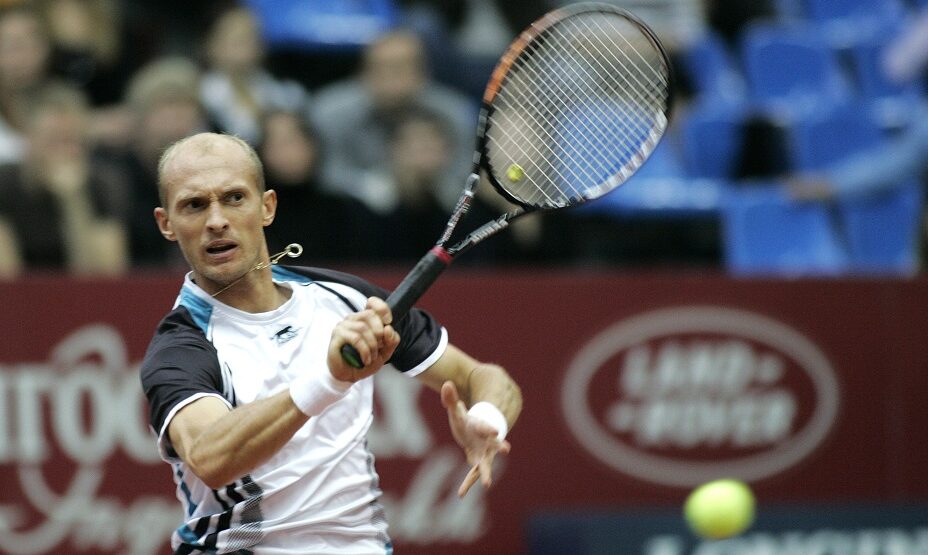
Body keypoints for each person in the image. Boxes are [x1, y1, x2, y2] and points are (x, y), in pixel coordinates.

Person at [140, 132, 522, 554]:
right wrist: (329, 378)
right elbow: (210, 457)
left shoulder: (344, 298)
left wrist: (487, 418)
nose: (216, 220)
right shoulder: (180, 347)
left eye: (234, 198)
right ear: (166, 224)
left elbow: (483, 378)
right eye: (194, 205)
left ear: (267, 207)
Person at [311, 29, 476, 213]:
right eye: (382, 68)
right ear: (362, 73)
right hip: (353, 213)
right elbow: (325, 172)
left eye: (402, 68)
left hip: (436, 210)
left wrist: (429, 182)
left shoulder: (454, 113)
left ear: (424, 73)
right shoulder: (330, 112)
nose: (392, 78)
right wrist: (367, 186)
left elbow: (465, 172)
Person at [0, 83, 128, 275]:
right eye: (53, 140)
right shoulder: (6, 182)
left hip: (79, 292)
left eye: (71, 141)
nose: (63, 152)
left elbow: (105, 276)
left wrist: (73, 201)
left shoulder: (102, 183)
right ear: (30, 138)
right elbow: (7, 275)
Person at [199, 6, 311, 145]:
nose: (247, 46)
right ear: (210, 44)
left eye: (253, 37)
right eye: (237, 39)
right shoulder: (198, 95)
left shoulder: (287, 94)